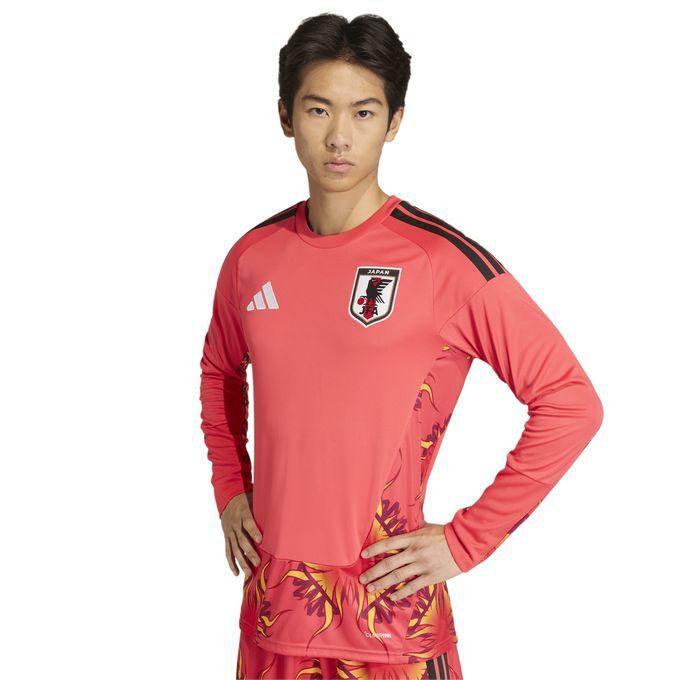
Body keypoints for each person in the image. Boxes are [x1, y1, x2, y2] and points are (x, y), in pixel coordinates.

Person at [199, 13, 604, 680]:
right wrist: (229, 489)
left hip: (393, 631)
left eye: (363, 113)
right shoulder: (252, 258)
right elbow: (220, 370)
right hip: (273, 617)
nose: (339, 136)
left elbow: (570, 402)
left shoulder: (440, 262)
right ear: (285, 117)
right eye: (318, 109)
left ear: (393, 123)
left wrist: (467, 540)